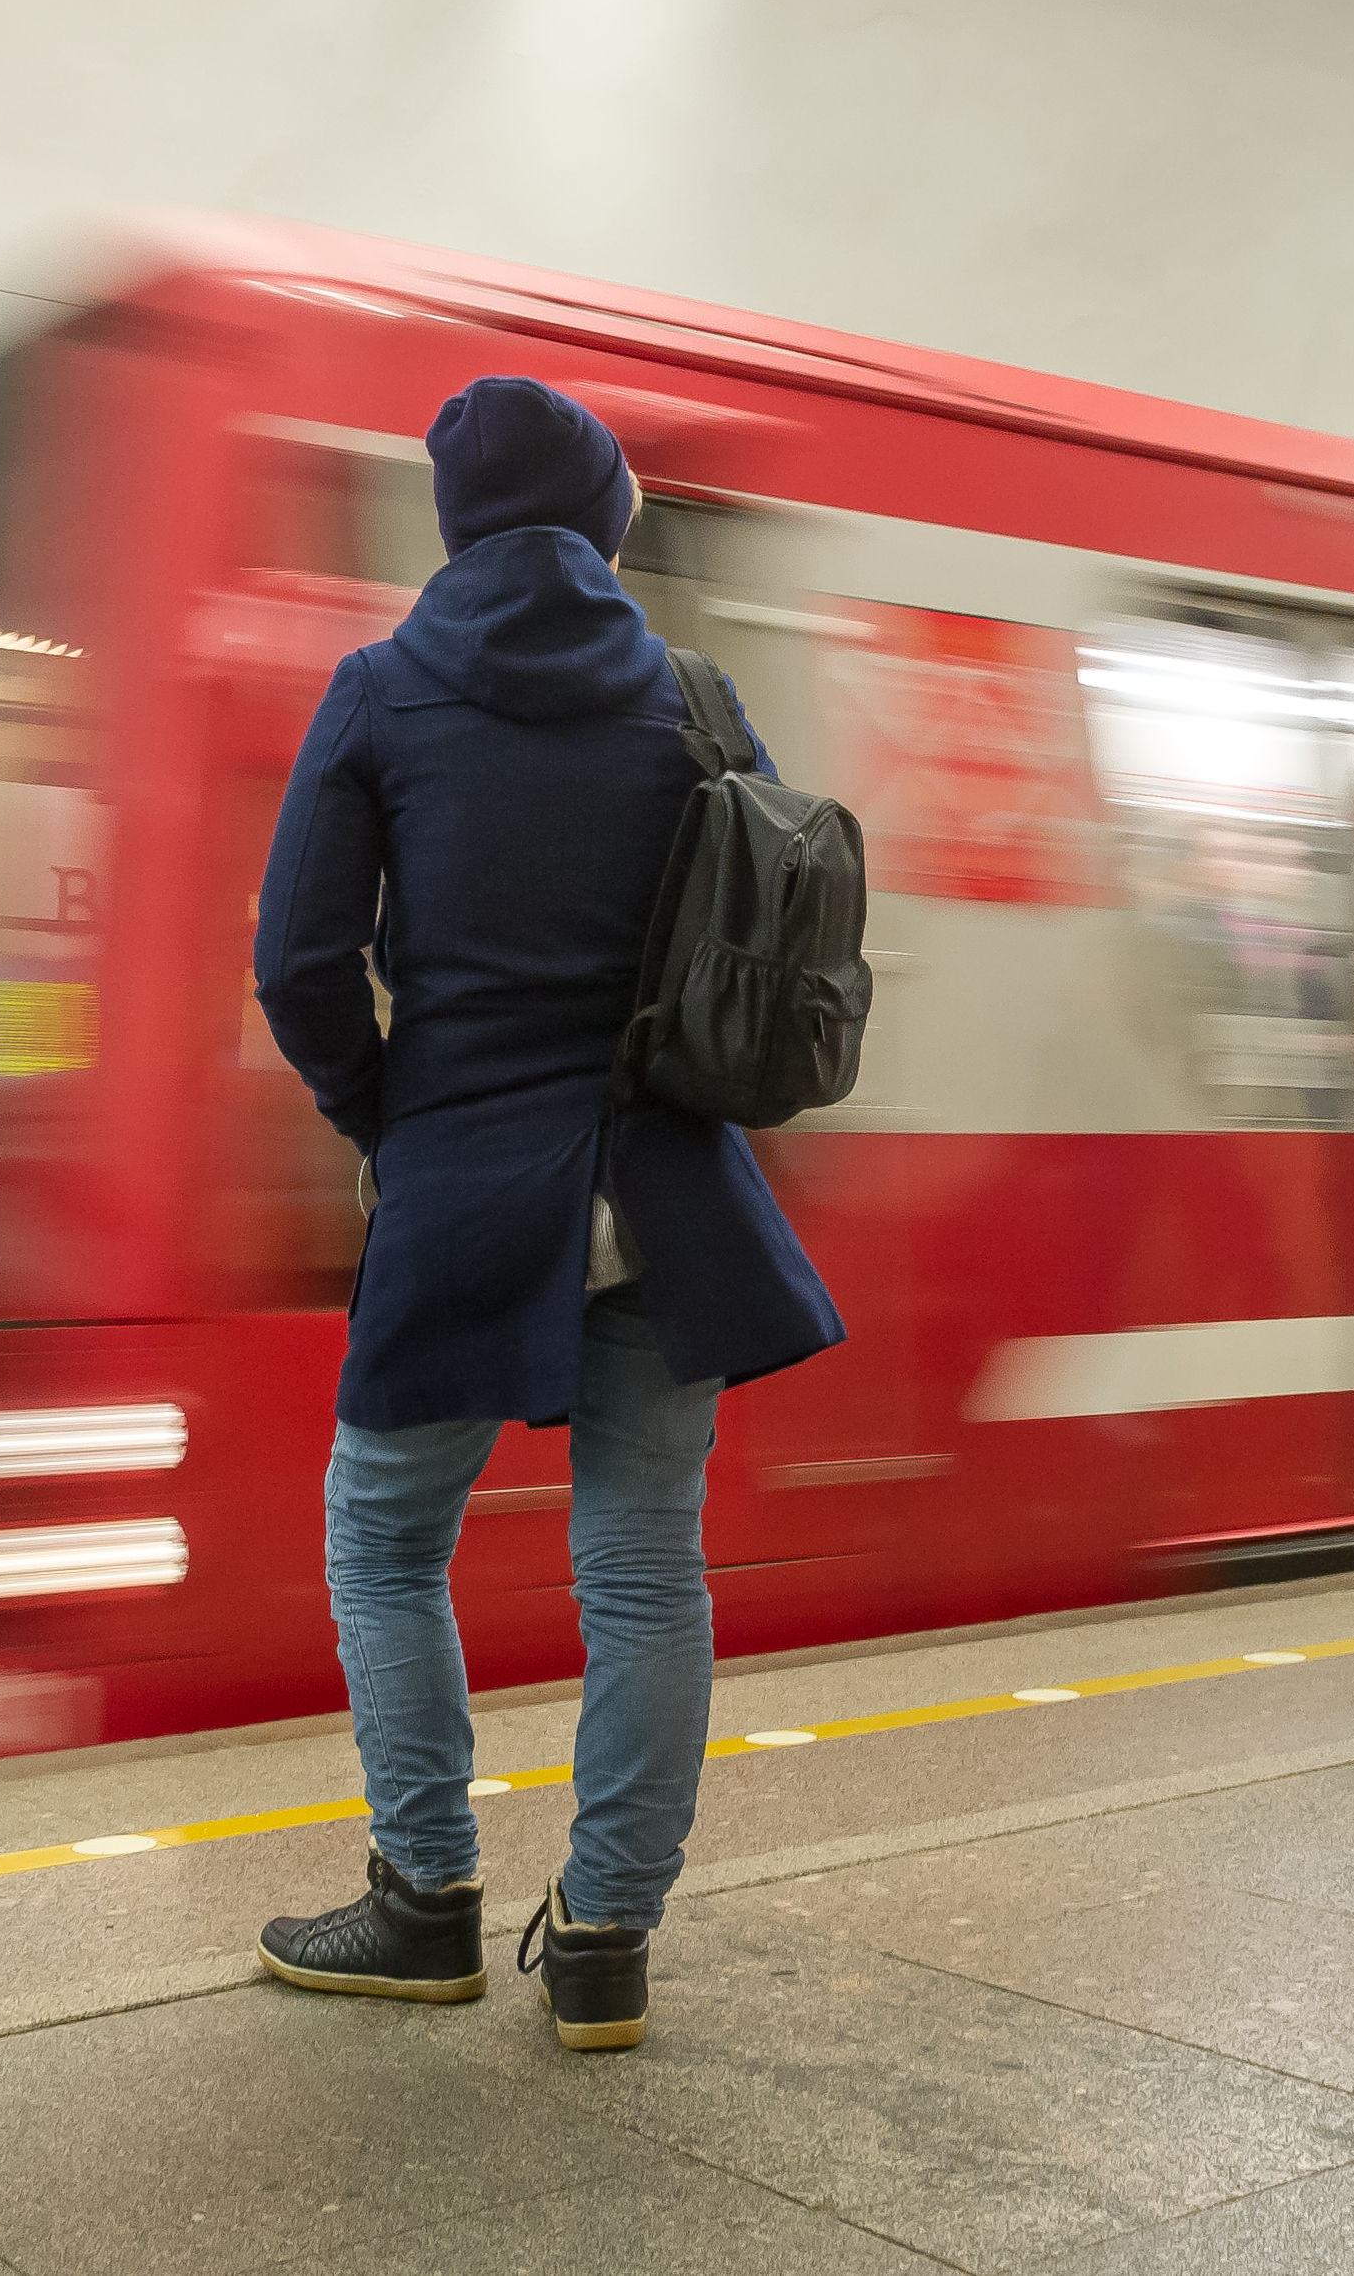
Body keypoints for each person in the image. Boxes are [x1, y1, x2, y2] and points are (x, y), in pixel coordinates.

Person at [249, 376, 841, 2053]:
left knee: (384, 1537)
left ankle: (424, 1900)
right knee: (645, 1567)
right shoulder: (694, 696)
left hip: (459, 1183)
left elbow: (299, 964)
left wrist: (387, 1114)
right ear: (605, 523)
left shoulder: (376, 693)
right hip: (666, 1183)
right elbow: (767, 926)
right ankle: (602, 1948)